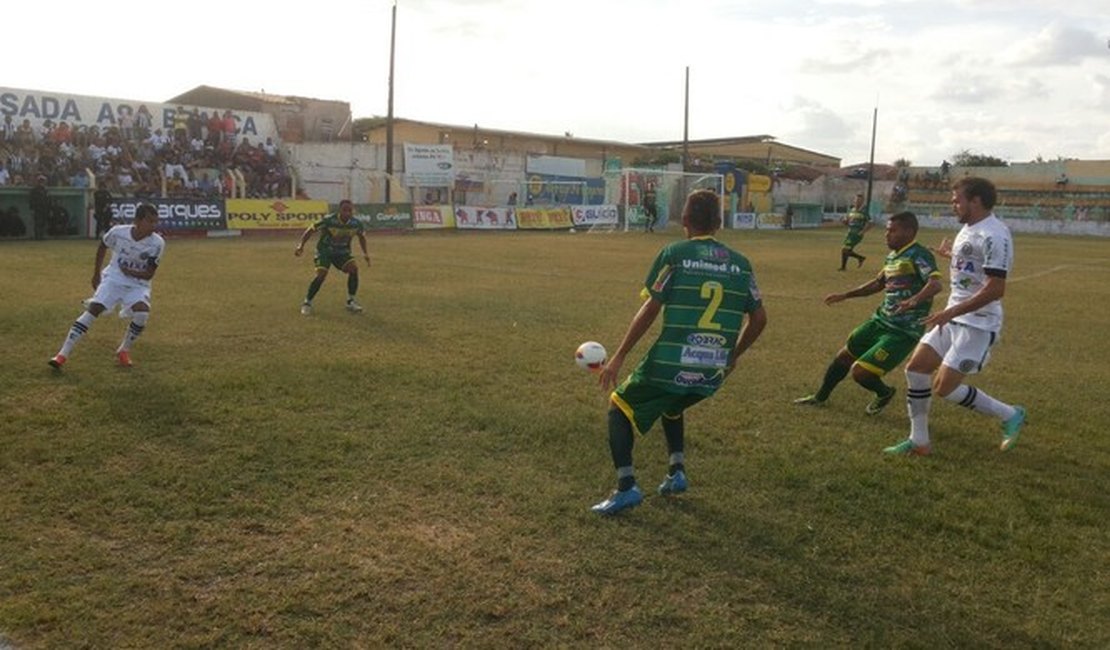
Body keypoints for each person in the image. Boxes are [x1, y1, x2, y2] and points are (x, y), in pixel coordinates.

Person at [590, 189, 768, 515]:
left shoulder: (675, 253)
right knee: (672, 403)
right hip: (711, 370)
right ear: (719, 223)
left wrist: (618, 357)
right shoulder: (742, 265)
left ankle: (626, 488)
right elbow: (759, 318)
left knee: (619, 407)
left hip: (672, 362)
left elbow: (650, 308)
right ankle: (677, 472)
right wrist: (733, 354)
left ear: (684, 220)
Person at [884, 177, 1026, 456]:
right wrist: (952, 256)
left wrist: (949, 312)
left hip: (978, 322)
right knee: (915, 369)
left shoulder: (994, 235)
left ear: (975, 201)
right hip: (953, 315)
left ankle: (1010, 414)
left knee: (944, 388)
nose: (953, 203)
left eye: (957, 199)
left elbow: (996, 288)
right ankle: (919, 441)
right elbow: (975, 269)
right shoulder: (968, 229)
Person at [794, 211, 943, 414]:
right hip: (880, 321)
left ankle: (884, 392)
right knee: (844, 356)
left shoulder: (919, 254)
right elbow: (877, 284)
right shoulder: (892, 256)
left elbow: (935, 284)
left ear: (909, 232)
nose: (886, 234)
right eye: (887, 230)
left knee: (861, 372)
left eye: (893, 230)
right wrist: (845, 295)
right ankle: (820, 397)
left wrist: (913, 300)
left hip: (902, 331)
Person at [48, 203, 164, 369]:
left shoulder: (157, 243)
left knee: (142, 314)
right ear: (137, 220)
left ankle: (124, 350)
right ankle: (61, 355)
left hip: (138, 284)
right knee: (94, 308)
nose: (154, 226)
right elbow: (103, 245)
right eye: (150, 221)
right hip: (114, 278)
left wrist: (130, 271)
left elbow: (149, 274)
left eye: (156, 222)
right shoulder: (118, 232)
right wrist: (96, 273)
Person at [294, 199, 371, 315]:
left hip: (342, 252)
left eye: (350, 210)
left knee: (353, 269)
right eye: (345, 210)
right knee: (321, 275)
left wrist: (365, 253)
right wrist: (301, 245)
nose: (347, 213)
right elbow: (311, 230)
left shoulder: (356, 224)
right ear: (339, 210)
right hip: (325, 251)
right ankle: (307, 302)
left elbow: (361, 237)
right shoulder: (329, 220)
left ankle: (351, 301)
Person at [839, 193, 871, 270]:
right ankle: (860, 258)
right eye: (856, 200)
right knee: (846, 250)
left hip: (857, 233)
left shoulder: (864, 211)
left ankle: (844, 267)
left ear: (862, 202)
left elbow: (870, 223)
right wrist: (843, 221)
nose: (857, 202)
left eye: (859, 200)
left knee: (845, 249)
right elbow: (847, 222)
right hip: (850, 232)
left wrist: (863, 231)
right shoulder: (851, 211)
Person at [29, 175, 50, 240]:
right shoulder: (34, 190)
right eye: (40, 181)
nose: (41, 182)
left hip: (44, 209)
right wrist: (32, 209)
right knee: (38, 223)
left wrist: (49, 209)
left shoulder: (45, 190)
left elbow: (48, 200)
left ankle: (42, 236)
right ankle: (37, 236)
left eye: (42, 181)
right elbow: (31, 200)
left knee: (43, 223)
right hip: (37, 209)